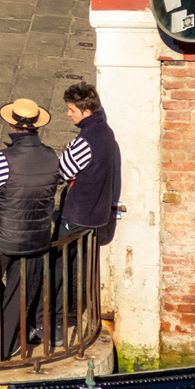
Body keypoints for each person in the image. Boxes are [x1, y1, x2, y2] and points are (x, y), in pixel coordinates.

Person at [0, 98, 61, 359]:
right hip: (36, 240)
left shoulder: (2, 159)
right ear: (36, 127)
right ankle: (8, 339)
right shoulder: (51, 156)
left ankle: (1, 340)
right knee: (18, 291)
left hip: (2, 239)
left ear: (12, 125)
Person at [52, 82, 121, 343]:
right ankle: (74, 316)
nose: (68, 114)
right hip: (97, 216)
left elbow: (61, 171)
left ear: (85, 111)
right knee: (81, 268)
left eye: (71, 110)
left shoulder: (85, 141)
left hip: (78, 215)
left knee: (61, 269)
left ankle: (58, 326)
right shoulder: (106, 133)